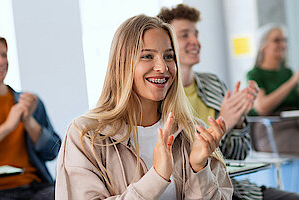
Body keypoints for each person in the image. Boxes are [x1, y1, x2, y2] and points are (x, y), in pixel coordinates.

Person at [55, 15, 233, 199]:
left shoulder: (192, 132)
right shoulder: (86, 135)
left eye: (169, 56)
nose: (162, 67)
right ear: (121, 64)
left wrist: (198, 169)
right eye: (147, 56)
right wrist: (157, 176)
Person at [157, 4, 299, 200]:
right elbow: (183, 164)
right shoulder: (159, 94)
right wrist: (223, 121)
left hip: (234, 187)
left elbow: (238, 155)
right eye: (184, 35)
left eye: (196, 34)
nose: (195, 41)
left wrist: (238, 121)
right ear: (167, 44)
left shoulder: (213, 84)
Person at [0, 36, 61, 199]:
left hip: (36, 188)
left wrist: (29, 122)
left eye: (4, 55)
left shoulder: (28, 102)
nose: (1, 62)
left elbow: (54, 151)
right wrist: (7, 127)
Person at [247, 23, 299, 155]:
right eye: (277, 40)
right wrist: (292, 81)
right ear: (263, 45)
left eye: (284, 40)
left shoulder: (287, 72)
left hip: (294, 122)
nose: (283, 45)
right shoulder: (255, 74)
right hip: (272, 128)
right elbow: (262, 107)